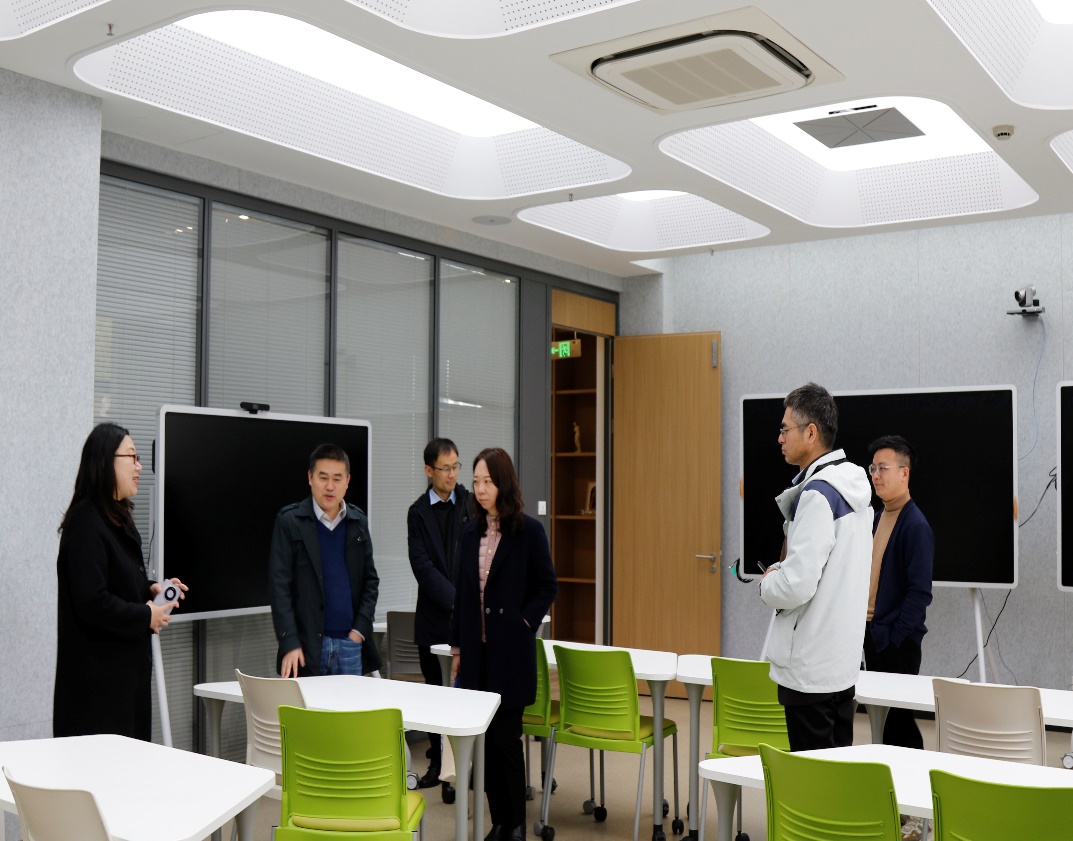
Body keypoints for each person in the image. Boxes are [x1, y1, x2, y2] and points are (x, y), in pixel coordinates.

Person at [54, 422, 187, 740]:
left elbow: (116, 581)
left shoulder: (117, 517)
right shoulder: (86, 522)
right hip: (97, 695)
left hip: (124, 685)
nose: (139, 466)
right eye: (132, 457)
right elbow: (92, 602)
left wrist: (150, 589)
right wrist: (146, 615)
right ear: (104, 462)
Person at [450, 448, 557, 841]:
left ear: (504, 483)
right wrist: (458, 649)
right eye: (476, 482)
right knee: (486, 743)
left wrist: (524, 622)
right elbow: (464, 595)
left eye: (488, 482)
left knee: (505, 740)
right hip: (477, 656)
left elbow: (547, 585)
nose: (480, 489)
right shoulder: (470, 532)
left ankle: (515, 825)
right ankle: (498, 821)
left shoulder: (528, 531)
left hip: (510, 654)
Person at [760, 383, 873, 751]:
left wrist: (768, 583)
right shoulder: (855, 490)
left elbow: (796, 585)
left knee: (811, 776)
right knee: (835, 773)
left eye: (785, 429)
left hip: (809, 670)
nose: (779, 438)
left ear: (810, 433)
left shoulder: (817, 495)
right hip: (841, 665)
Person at [269, 442, 381, 678]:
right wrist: (289, 641)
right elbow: (279, 588)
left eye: (337, 479)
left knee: (350, 703)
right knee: (306, 703)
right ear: (310, 478)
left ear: (347, 481)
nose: (330, 486)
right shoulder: (290, 521)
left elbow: (370, 581)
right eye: (323, 477)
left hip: (350, 644)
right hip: (305, 647)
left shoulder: (357, 521)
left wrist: (359, 631)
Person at [407, 437, 472, 789]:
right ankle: (437, 764)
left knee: (467, 694)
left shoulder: (471, 504)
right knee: (435, 693)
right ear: (428, 470)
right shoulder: (417, 513)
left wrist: (466, 605)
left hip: (470, 619)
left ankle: (468, 765)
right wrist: (456, 602)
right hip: (434, 618)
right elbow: (422, 566)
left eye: (455, 466)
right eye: (445, 468)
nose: (452, 474)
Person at [864, 435, 934, 748]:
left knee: (898, 724)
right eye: (872, 468)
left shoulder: (915, 525)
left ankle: (913, 773)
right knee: (884, 720)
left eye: (883, 468)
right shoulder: (877, 517)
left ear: (904, 473)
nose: (875, 475)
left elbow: (919, 593)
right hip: (872, 632)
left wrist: (895, 637)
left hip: (895, 641)